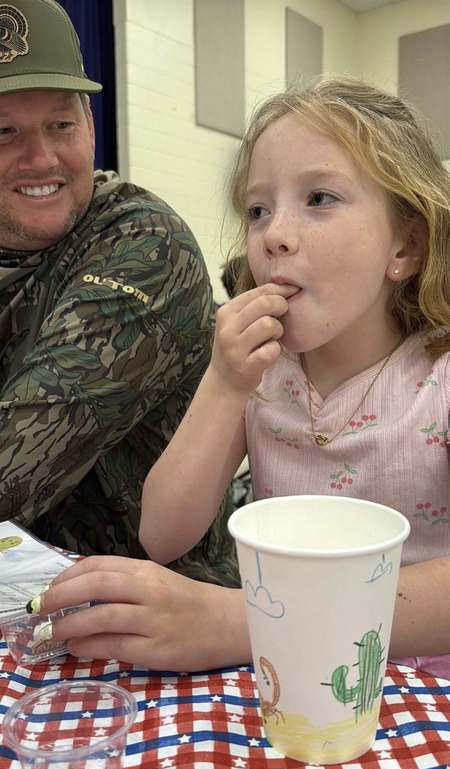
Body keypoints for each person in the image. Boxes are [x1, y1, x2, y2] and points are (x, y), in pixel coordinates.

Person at [36, 76, 450, 677]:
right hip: (278, 675)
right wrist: (224, 382)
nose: (274, 235)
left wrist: (241, 622)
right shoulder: (261, 374)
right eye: (258, 210)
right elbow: (163, 533)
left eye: (320, 199)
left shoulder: (438, 382)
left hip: (414, 685)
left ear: (405, 247)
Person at [0, 0, 238, 588]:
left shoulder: (142, 242)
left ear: (89, 125)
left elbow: (20, 457)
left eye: (60, 125)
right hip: (25, 601)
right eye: (3, 131)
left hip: (169, 618)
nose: (41, 158)